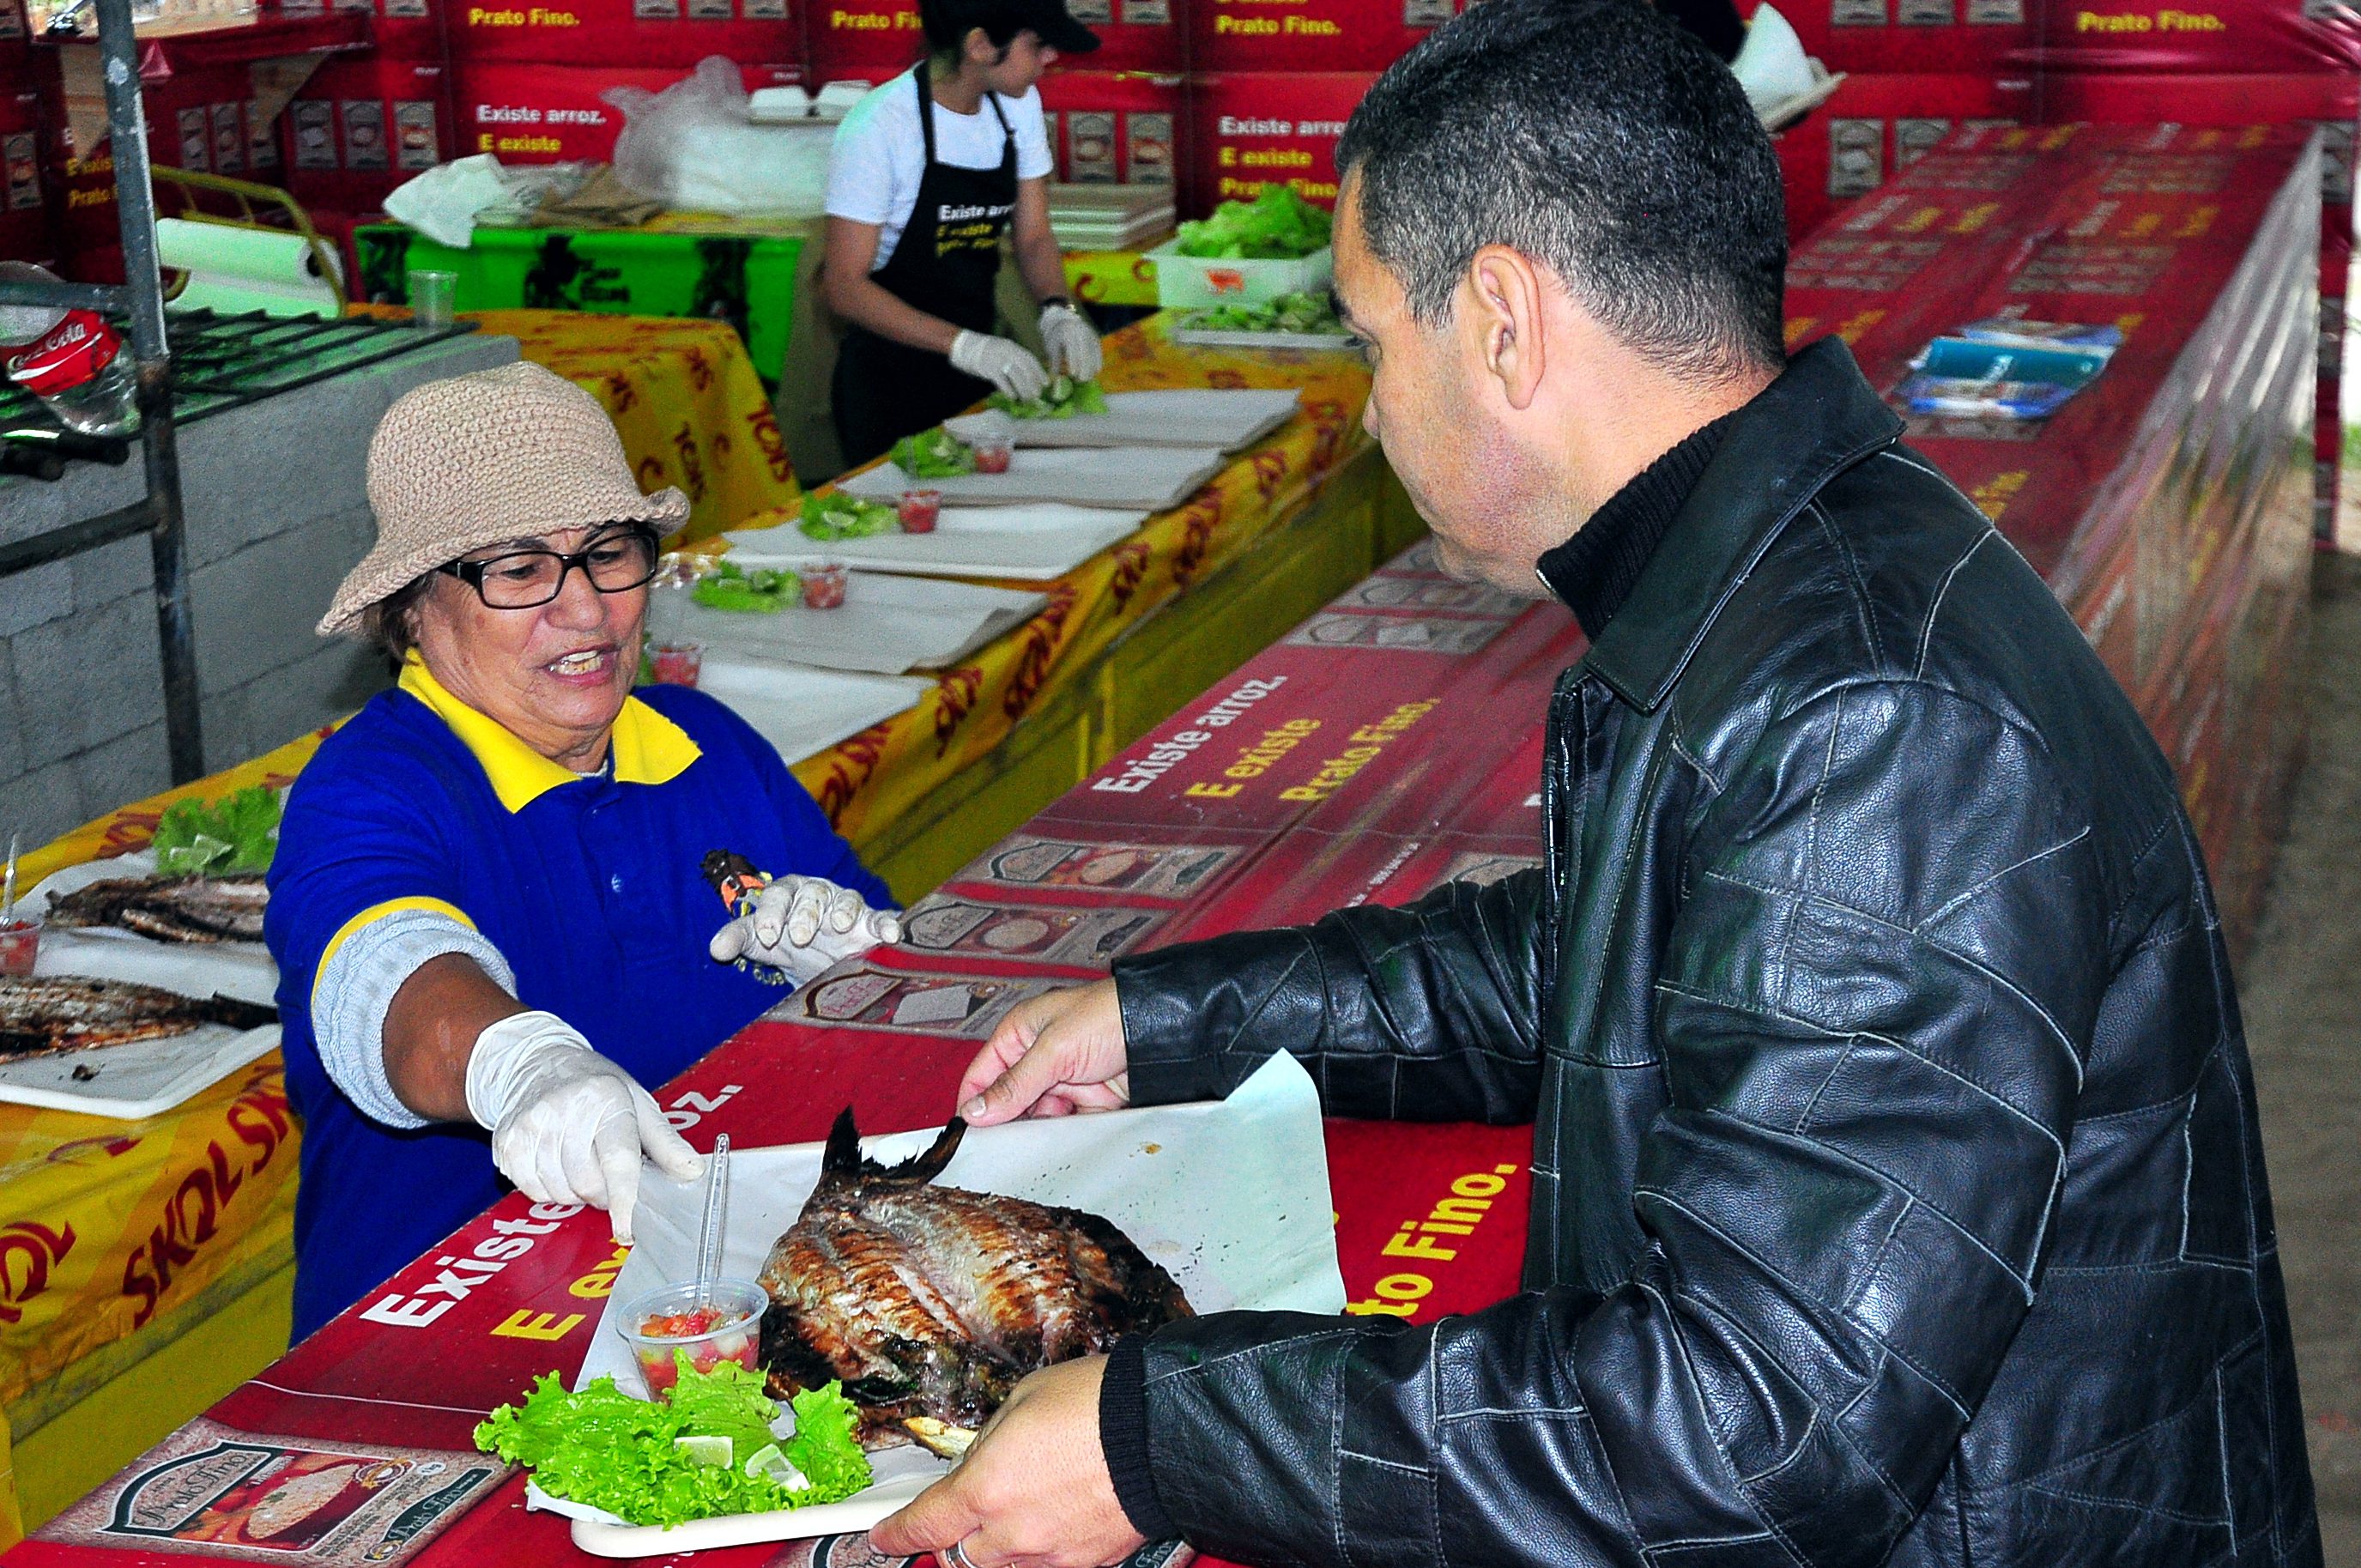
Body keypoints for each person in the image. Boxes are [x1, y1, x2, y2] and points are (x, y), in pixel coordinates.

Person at [868, 3, 2323, 1565]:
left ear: (1500, 318)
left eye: (1372, 340)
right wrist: (1172, 1021)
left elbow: (1757, 1429)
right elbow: (1606, 957)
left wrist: (1156, 1437)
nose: (1369, 407)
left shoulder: (1872, 717)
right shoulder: (1774, 568)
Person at [267, 361, 904, 1339]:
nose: (586, 609)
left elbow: (895, 970)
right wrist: (517, 1063)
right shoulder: (375, 786)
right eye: (518, 570)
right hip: (445, 1350)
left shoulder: (707, 744)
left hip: (718, 1307)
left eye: (609, 553)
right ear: (412, 608)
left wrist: (867, 963)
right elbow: (385, 974)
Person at [820, 0, 1105, 469]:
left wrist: (1059, 310)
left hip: (976, 375)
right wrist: (963, 345)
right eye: (1037, 45)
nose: (1049, 58)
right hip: (888, 384)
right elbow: (845, 287)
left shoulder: (1018, 106)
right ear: (978, 45)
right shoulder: (879, 127)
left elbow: (1032, 236)